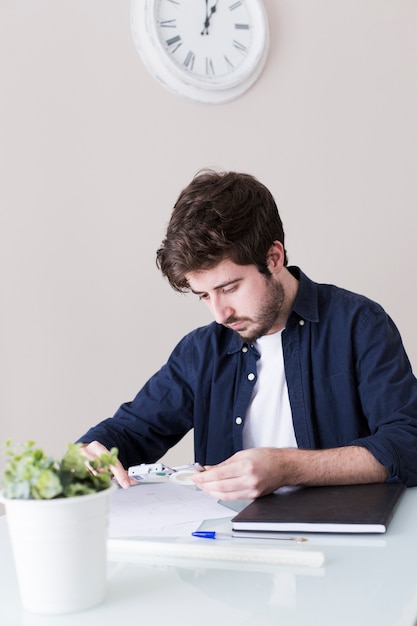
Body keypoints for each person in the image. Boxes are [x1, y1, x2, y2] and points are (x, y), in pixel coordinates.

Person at [78, 169, 417, 501]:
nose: (220, 313)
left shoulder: (359, 324)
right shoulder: (201, 351)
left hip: (347, 545)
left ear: (273, 258)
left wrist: (287, 467)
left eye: (229, 288)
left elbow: (409, 442)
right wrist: (90, 452)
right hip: (231, 547)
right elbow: (130, 432)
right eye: (204, 296)